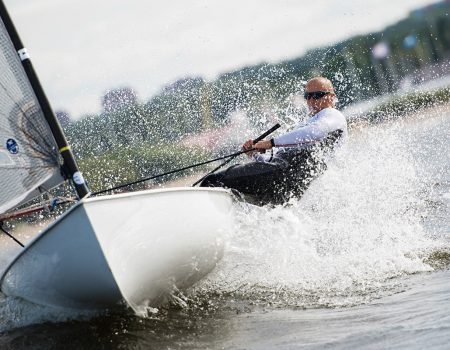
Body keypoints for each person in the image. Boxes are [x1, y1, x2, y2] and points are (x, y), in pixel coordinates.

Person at [199, 76, 348, 205]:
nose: (311, 100)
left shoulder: (332, 116)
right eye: (307, 96)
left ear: (331, 96)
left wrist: (270, 142)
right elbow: (277, 157)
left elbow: (315, 132)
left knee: (212, 181)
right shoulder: (306, 124)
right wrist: (255, 155)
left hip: (286, 177)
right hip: (285, 181)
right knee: (230, 188)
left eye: (317, 95)